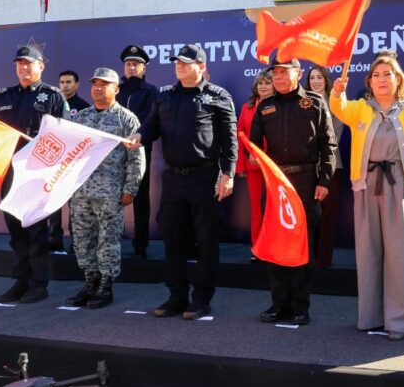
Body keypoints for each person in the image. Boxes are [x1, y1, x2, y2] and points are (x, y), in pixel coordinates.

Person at [330, 55, 404, 341]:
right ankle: (372, 318)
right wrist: (337, 90)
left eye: (387, 74)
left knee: (402, 256)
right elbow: (338, 108)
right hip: (366, 187)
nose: (381, 79)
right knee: (368, 254)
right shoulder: (360, 109)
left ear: (398, 79)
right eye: (376, 75)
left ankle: (401, 322)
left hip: (401, 186)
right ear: (370, 81)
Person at [135, 44, 237, 321]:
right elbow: (151, 126)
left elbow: (230, 139)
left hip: (205, 177)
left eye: (185, 62)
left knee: (206, 240)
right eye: (176, 62)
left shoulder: (218, 96)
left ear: (201, 66)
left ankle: (201, 299)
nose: (178, 66)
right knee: (173, 239)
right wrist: (139, 136)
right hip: (173, 178)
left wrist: (227, 174)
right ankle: (176, 296)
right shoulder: (164, 95)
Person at [250, 58, 336, 326]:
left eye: (284, 72)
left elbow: (328, 145)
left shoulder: (314, 103)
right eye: (275, 72)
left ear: (298, 73)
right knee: (276, 245)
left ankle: (300, 306)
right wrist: (254, 156)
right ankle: (279, 305)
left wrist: (324, 181)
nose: (279, 77)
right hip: (275, 184)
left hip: (306, 181)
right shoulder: (265, 106)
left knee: (303, 246)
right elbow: (254, 144)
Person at [0, 43, 68, 304]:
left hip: (37, 175)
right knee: (15, 231)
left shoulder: (54, 96)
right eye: (20, 63)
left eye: (29, 63)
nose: (24, 67)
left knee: (36, 232)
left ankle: (38, 285)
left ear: (41, 67)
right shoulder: (3, 96)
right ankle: (20, 281)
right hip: (9, 173)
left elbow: (65, 135)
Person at [65, 68, 144, 309]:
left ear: (116, 89)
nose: (98, 88)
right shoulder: (81, 118)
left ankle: (106, 287)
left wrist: (131, 186)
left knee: (107, 241)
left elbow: (136, 157)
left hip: (110, 193)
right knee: (82, 240)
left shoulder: (126, 118)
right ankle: (90, 283)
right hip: (81, 192)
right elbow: (69, 152)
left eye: (105, 84)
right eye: (95, 83)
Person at [118, 44, 158, 259]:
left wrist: (137, 137)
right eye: (128, 64)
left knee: (140, 197)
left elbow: (151, 120)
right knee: (113, 195)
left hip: (140, 150)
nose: (131, 68)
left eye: (136, 64)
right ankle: (111, 241)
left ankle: (140, 245)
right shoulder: (116, 89)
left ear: (144, 68)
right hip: (115, 151)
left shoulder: (151, 91)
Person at [306, 65, 343, 268]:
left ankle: (323, 262)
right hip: (306, 167)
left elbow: (335, 134)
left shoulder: (335, 103)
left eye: (319, 77)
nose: (316, 81)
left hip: (331, 166)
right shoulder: (302, 102)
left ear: (326, 80)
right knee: (308, 216)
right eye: (312, 78)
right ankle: (307, 259)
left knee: (327, 216)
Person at [49, 70, 89, 251]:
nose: (64, 85)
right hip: (55, 161)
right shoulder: (53, 103)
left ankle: (76, 243)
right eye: (62, 82)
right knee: (53, 203)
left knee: (76, 206)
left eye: (68, 82)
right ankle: (54, 242)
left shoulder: (84, 107)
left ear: (77, 84)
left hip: (75, 162)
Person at [235, 71, 273, 257]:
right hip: (254, 168)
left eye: (267, 82)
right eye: (260, 83)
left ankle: (275, 247)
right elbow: (239, 136)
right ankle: (258, 249)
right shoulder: (247, 107)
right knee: (258, 208)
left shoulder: (281, 105)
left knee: (274, 209)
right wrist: (241, 165)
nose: (264, 86)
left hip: (276, 168)